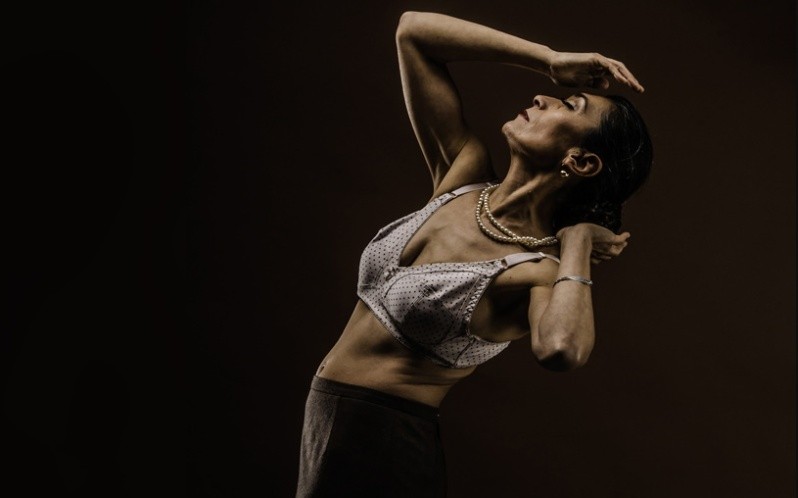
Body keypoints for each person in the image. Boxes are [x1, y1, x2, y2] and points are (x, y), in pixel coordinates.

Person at [296, 11, 653, 498]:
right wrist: (549, 60)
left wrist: (576, 242)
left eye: (569, 106)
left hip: (385, 447)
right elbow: (413, 32)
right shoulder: (462, 177)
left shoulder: (535, 270)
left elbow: (562, 350)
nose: (542, 98)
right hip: (328, 429)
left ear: (581, 161)